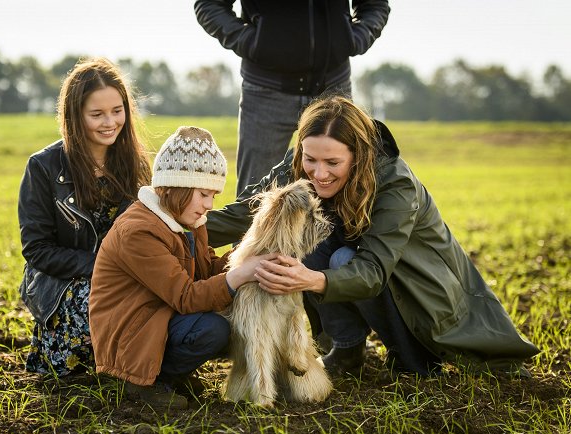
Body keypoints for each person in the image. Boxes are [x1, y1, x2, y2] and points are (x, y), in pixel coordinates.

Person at [206, 95, 540, 378]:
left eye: (333, 162)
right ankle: (347, 348)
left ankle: (413, 355)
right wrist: (167, 224)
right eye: (310, 159)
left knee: (341, 260)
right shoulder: (299, 167)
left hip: (417, 291)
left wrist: (310, 280)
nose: (319, 174)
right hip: (358, 274)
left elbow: (373, 271)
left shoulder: (395, 183)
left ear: (359, 154)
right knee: (303, 241)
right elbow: (243, 214)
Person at [89, 126, 275, 409]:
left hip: (159, 319)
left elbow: (207, 270)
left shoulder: (187, 221)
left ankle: (171, 373)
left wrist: (246, 255)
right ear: (178, 185)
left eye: (213, 195)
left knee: (232, 322)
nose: (210, 205)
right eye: (204, 194)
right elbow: (187, 296)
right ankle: (142, 383)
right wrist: (239, 275)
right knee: (213, 329)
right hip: (132, 335)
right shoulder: (138, 231)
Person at [18, 57, 152, 376]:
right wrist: (102, 267)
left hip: (123, 271)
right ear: (75, 116)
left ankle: (155, 371)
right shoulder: (43, 168)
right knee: (104, 294)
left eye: (117, 111)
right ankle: (117, 374)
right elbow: (36, 249)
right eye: (97, 114)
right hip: (62, 282)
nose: (110, 122)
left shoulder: (137, 165)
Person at [194, 0, 390, 195]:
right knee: (255, 196)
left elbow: (375, 5)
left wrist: (353, 40)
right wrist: (252, 43)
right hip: (266, 89)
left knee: (344, 191)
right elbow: (209, 5)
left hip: (332, 86)